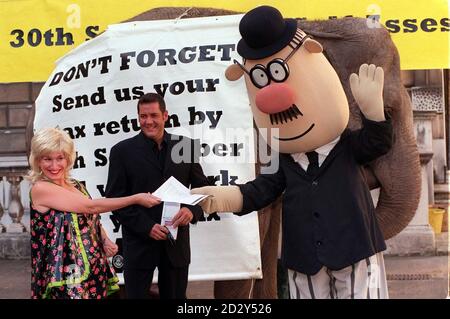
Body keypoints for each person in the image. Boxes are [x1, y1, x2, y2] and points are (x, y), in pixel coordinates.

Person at [192, 6, 393, 299]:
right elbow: (258, 192)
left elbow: (378, 143)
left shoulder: (347, 146)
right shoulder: (283, 161)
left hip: (355, 250)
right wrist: (215, 198)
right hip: (305, 259)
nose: (272, 99)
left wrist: (375, 114)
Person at [28, 127, 160, 299]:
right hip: (62, 276)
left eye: (60, 158)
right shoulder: (41, 188)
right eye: (47, 159)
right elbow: (91, 207)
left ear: (68, 159)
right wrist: (135, 198)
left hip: (93, 267)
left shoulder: (76, 185)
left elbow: (92, 217)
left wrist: (104, 240)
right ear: (37, 160)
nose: (54, 166)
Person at [105, 92, 209, 299]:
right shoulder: (121, 152)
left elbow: (203, 189)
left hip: (176, 247)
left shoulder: (185, 146)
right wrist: (146, 227)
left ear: (165, 116)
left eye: (153, 115)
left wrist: (192, 210)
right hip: (138, 245)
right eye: (143, 116)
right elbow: (114, 200)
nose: (148, 121)